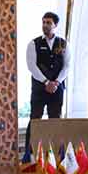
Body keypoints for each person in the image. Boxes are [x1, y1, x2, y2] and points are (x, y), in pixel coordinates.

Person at [25, 11, 70, 153]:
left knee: (55, 120)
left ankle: (55, 154)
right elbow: (31, 66)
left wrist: (56, 82)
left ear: (55, 25)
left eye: (48, 22)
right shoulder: (33, 43)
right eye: (43, 22)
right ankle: (29, 154)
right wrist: (46, 82)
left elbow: (67, 66)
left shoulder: (63, 44)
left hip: (57, 89)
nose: (45, 25)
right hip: (39, 88)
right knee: (35, 119)